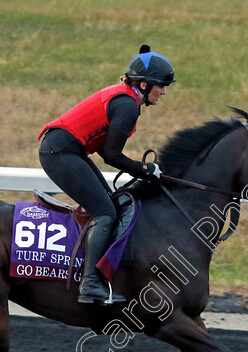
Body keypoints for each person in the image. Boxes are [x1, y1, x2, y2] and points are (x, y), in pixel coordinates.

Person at [38, 45, 175, 305]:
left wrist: (143, 171)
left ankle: (99, 273)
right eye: (161, 85)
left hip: (68, 150)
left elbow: (104, 150)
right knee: (106, 212)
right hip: (60, 152)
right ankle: (89, 285)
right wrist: (147, 170)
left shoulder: (126, 98)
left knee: (109, 204)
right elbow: (112, 155)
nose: (164, 91)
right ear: (144, 84)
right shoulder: (128, 106)